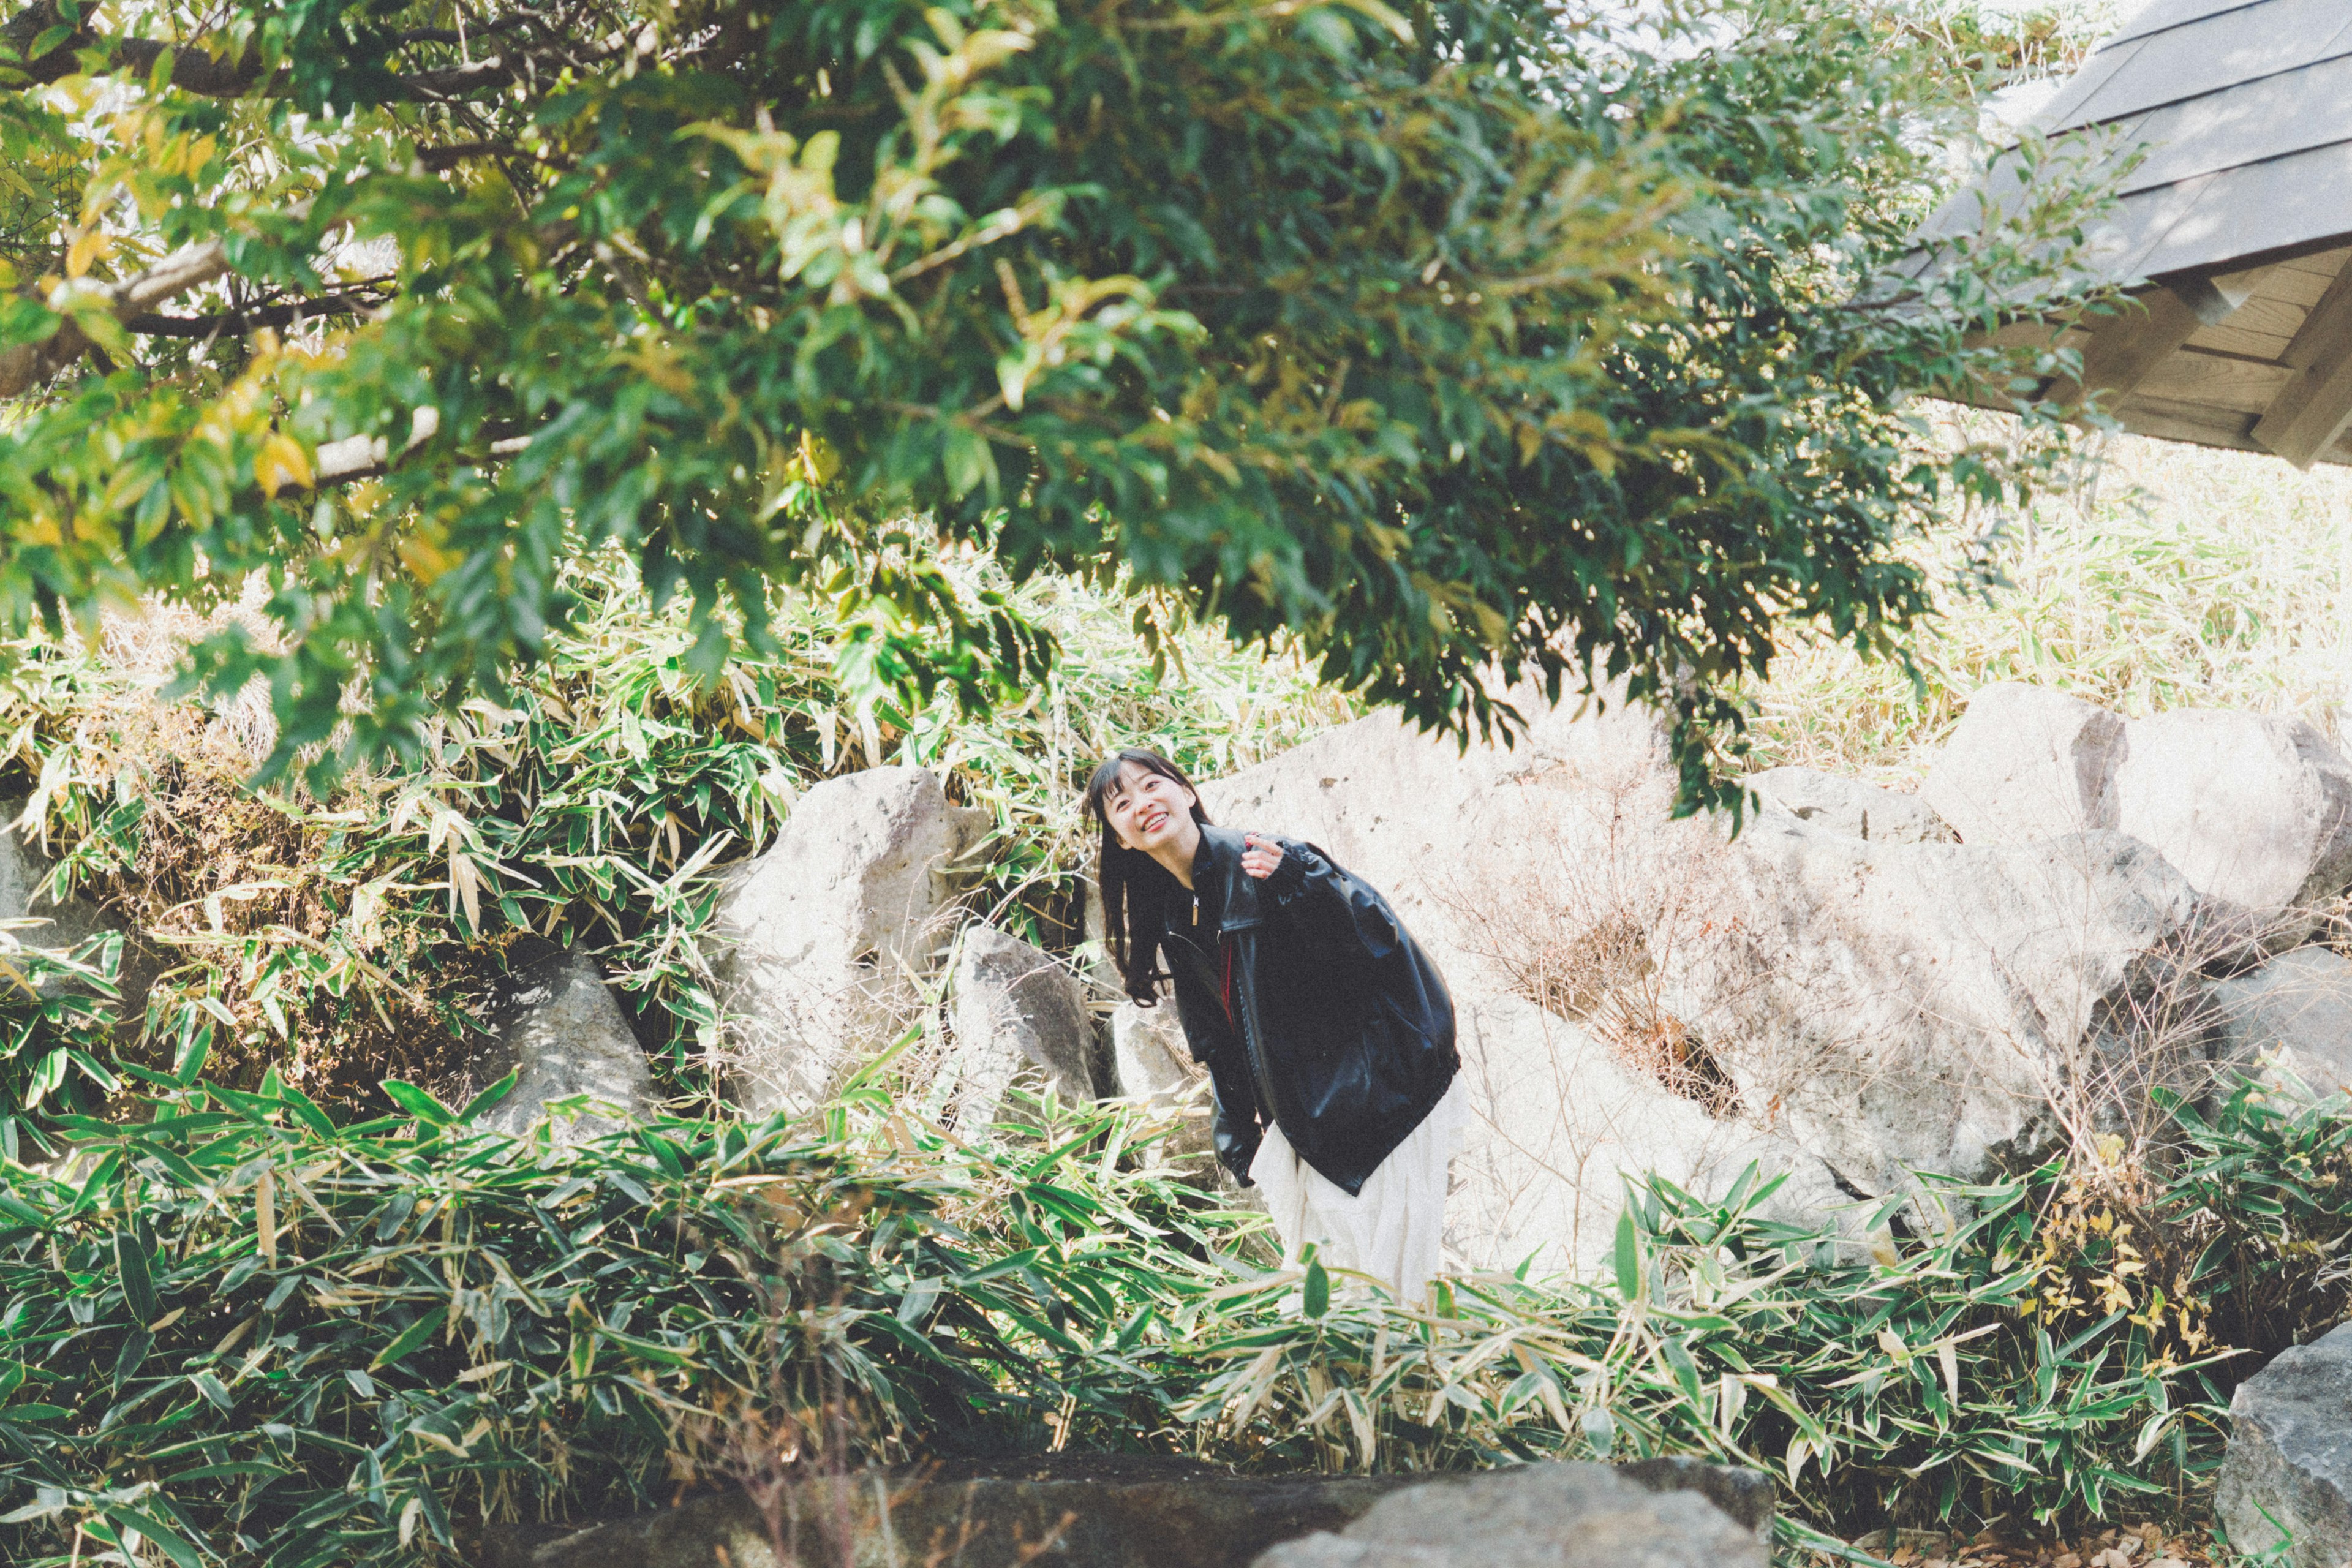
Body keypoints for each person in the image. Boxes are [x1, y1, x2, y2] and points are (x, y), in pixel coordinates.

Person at [1084, 747, 1464, 1303]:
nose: (1143, 804)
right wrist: (1235, 1129)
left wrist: (1301, 886)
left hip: (1386, 1089)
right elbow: (1218, 1036)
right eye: (1122, 803)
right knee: (1331, 1286)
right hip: (1314, 1111)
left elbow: (1373, 941)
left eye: (1151, 785)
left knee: (1383, 1286)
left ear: (1186, 792)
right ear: (1120, 837)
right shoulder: (1178, 913)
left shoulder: (1265, 861)